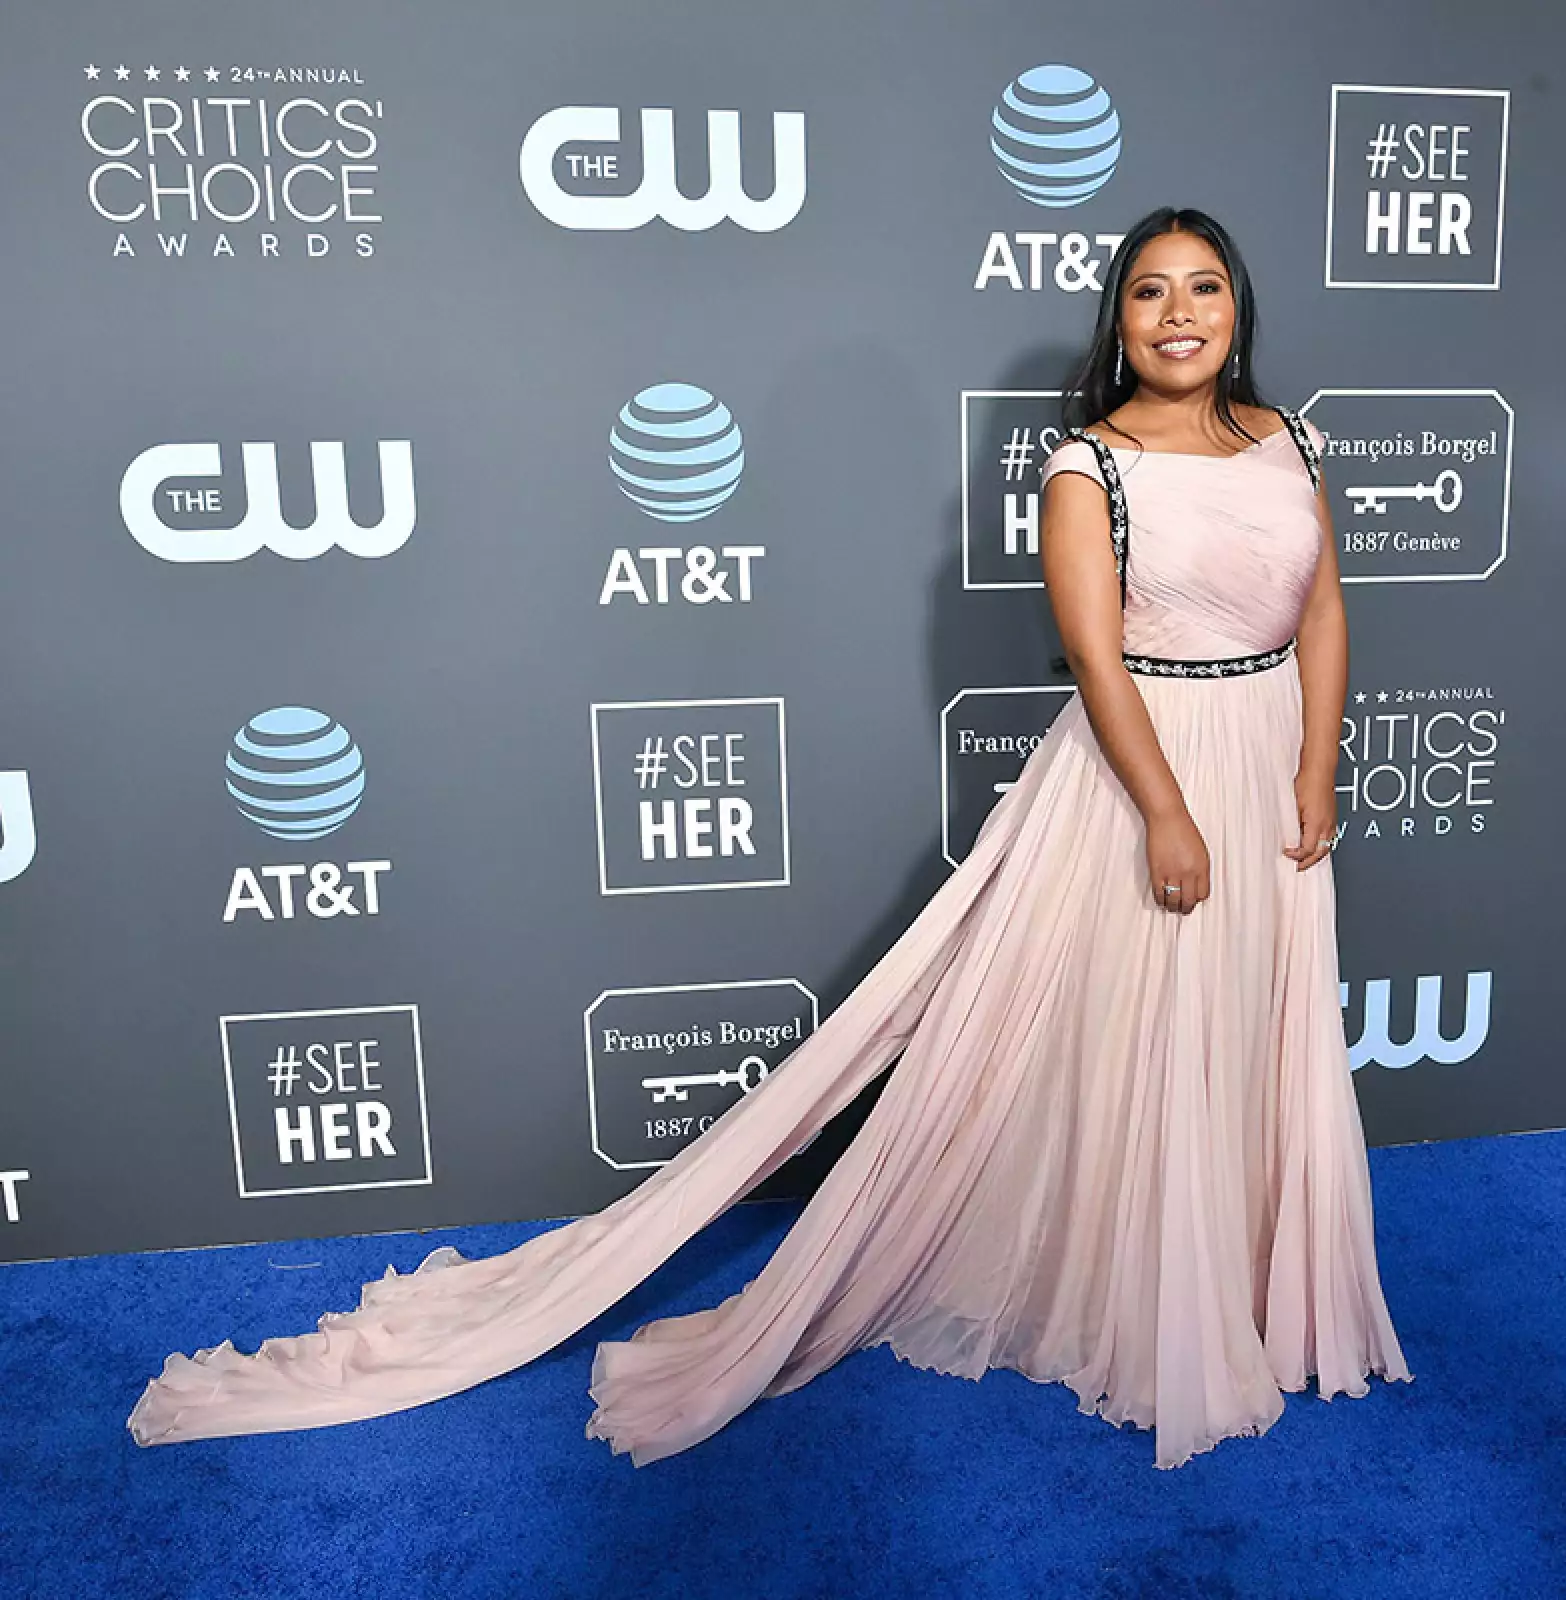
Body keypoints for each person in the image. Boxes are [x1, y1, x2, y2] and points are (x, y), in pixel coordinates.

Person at [128, 206, 1411, 1470]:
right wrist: (1169, 810)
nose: (1178, 313)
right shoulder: (1090, 467)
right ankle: (1147, 1296)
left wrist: (1315, 763)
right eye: (1148, 290)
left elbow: (1322, 607)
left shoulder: (1287, 439)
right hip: (1143, 776)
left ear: (1236, 306)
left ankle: (1253, 1278)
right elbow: (1093, 653)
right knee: (1148, 1032)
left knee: (1245, 1016)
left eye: (1202, 286)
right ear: (1117, 320)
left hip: (1266, 760)